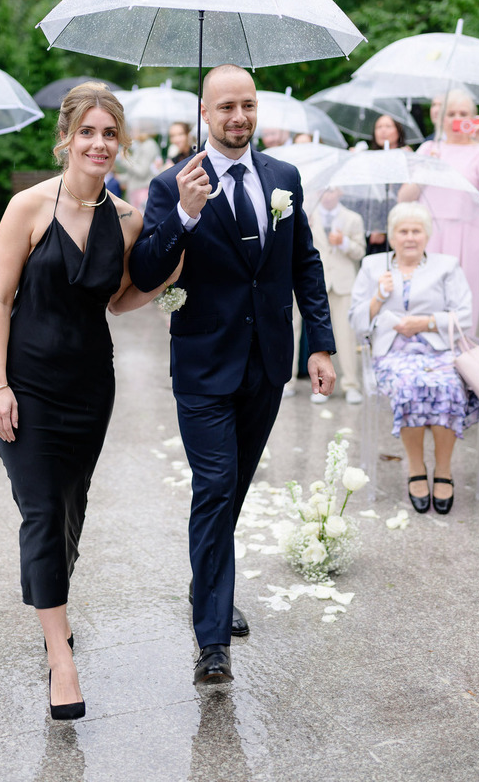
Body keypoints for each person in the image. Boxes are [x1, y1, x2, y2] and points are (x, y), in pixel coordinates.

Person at [129, 64, 336, 686]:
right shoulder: (173, 184)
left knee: (234, 488)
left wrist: (318, 346)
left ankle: (207, 586)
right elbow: (143, 271)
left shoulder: (284, 177)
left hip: (268, 363)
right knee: (215, 487)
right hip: (203, 366)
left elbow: (304, 261)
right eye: (226, 107)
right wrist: (186, 216)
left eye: (247, 104)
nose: (239, 116)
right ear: (205, 115)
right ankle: (212, 638)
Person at [0, 83, 173, 721]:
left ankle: (51, 603)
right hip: (27, 386)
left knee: (69, 510)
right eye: (88, 132)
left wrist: (165, 276)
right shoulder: (28, 207)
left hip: (92, 387)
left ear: (120, 144)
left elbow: (118, 299)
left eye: (110, 134)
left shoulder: (126, 218)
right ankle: (60, 655)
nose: (99, 144)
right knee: (40, 509)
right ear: (66, 138)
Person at [349, 202, 479, 515]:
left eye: (416, 231)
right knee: (410, 385)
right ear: (392, 236)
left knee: (449, 386)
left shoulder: (447, 266)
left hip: (438, 350)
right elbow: (355, 321)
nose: (410, 237)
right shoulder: (372, 266)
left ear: (427, 235)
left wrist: (425, 322)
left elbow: (464, 315)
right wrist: (378, 297)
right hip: (392, 352)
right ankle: (415, 466)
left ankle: (445, 470)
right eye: (403, 231)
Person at [411, 89, 479, 333]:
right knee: (425, 295)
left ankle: (463, 352)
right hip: (428, 231)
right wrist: (425, 167)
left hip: (468, 232)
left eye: (463, 114)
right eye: (451, 113)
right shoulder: (429, 148)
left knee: (464, 298)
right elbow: (405, 197)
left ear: (474, 117)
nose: (456, 119)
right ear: (441, 117)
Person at [290, 188, 365, 405]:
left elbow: (360, 251)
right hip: (309, 282)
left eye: (333, 190)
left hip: (341, 283)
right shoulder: (306, 214)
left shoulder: (353, 218)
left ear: (341, 192)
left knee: (345, 335)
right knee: (293, 329)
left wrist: (343, 242)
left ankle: (351, 384)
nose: (329, 194)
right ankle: (289, 381)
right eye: (325, 190)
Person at [364, 114, 411, 256]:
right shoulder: (367, 159)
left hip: (400, 220)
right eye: (379, 127)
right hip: (372, 230)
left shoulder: (407, 157)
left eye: (388, 126)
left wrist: (383, 228)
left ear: (398, 131)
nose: (383, 131)